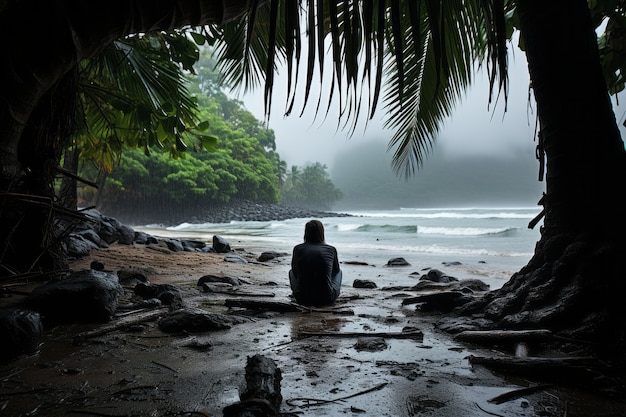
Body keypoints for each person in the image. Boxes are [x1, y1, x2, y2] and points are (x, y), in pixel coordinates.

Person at [289, 220, 342, 306]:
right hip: (327, 298)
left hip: (302, 298)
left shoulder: (297, 249)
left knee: (291, 272)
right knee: (339, 272)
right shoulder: (331, 249)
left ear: (306, 232)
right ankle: (326, 288)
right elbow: (335, 271)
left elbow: (295, 272)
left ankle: (302, 290)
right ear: (322, 232)